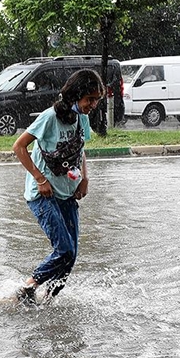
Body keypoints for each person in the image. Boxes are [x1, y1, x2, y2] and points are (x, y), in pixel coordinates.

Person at [11, 69, 106, 306]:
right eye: (90, 99)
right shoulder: (48, 118)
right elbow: (19, 147)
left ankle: (47, 303)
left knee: (70, 256)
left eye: (96, 100)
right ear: (75, 95)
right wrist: (40, 179)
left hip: (68, 194)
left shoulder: (81, 118)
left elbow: (80, 150)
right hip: (43, 195)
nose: (93, 105)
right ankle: (29, 286)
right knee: (63, 250)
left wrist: (84, 178)